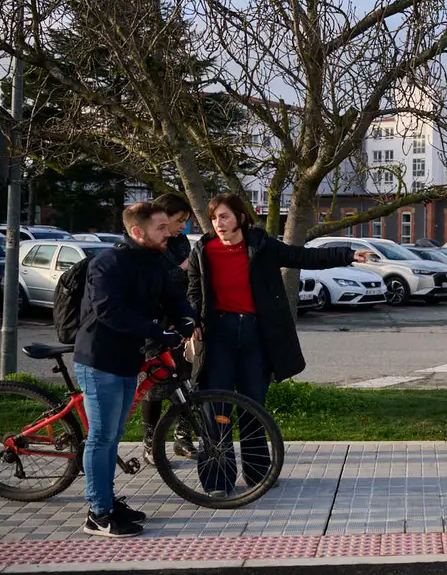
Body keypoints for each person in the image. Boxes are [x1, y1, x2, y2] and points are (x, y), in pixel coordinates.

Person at [187, 194, 368, 495]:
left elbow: (303, 257)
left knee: (253, 405)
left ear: (241, 218)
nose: (219, 223)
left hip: (255, 336)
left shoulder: (262, 246)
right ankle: (218, 480)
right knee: (216, 408)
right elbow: (194, 292)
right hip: (218, 336)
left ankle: (258, 474)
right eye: (214, 218)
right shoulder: (203, 252)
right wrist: (192, 321)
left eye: (225, 216)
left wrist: (347, 255)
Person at [75, 202, 196, 537]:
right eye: (161, 228)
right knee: (101, 437)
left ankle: (108, 502)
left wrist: (187, 319)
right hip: (100, 360)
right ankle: (98, 514)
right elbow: (108, 311)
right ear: (138, 231)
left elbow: (172, 296)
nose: (169, 233)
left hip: (127, 359)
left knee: (112, 435)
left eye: (168, 227)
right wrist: (157, 331)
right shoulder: (108, 263)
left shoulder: (154, 261)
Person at [140, 192, 197, 465]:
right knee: (154, 386)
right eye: (179, 220)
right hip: (153, 326)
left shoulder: (180, 241)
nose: (182, 227)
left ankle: (182, 437)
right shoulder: (150, 244)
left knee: (186, 381)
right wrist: (184, 267)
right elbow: (158, 281)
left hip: (178, 323)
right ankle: (150, 443)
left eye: (185, 221)